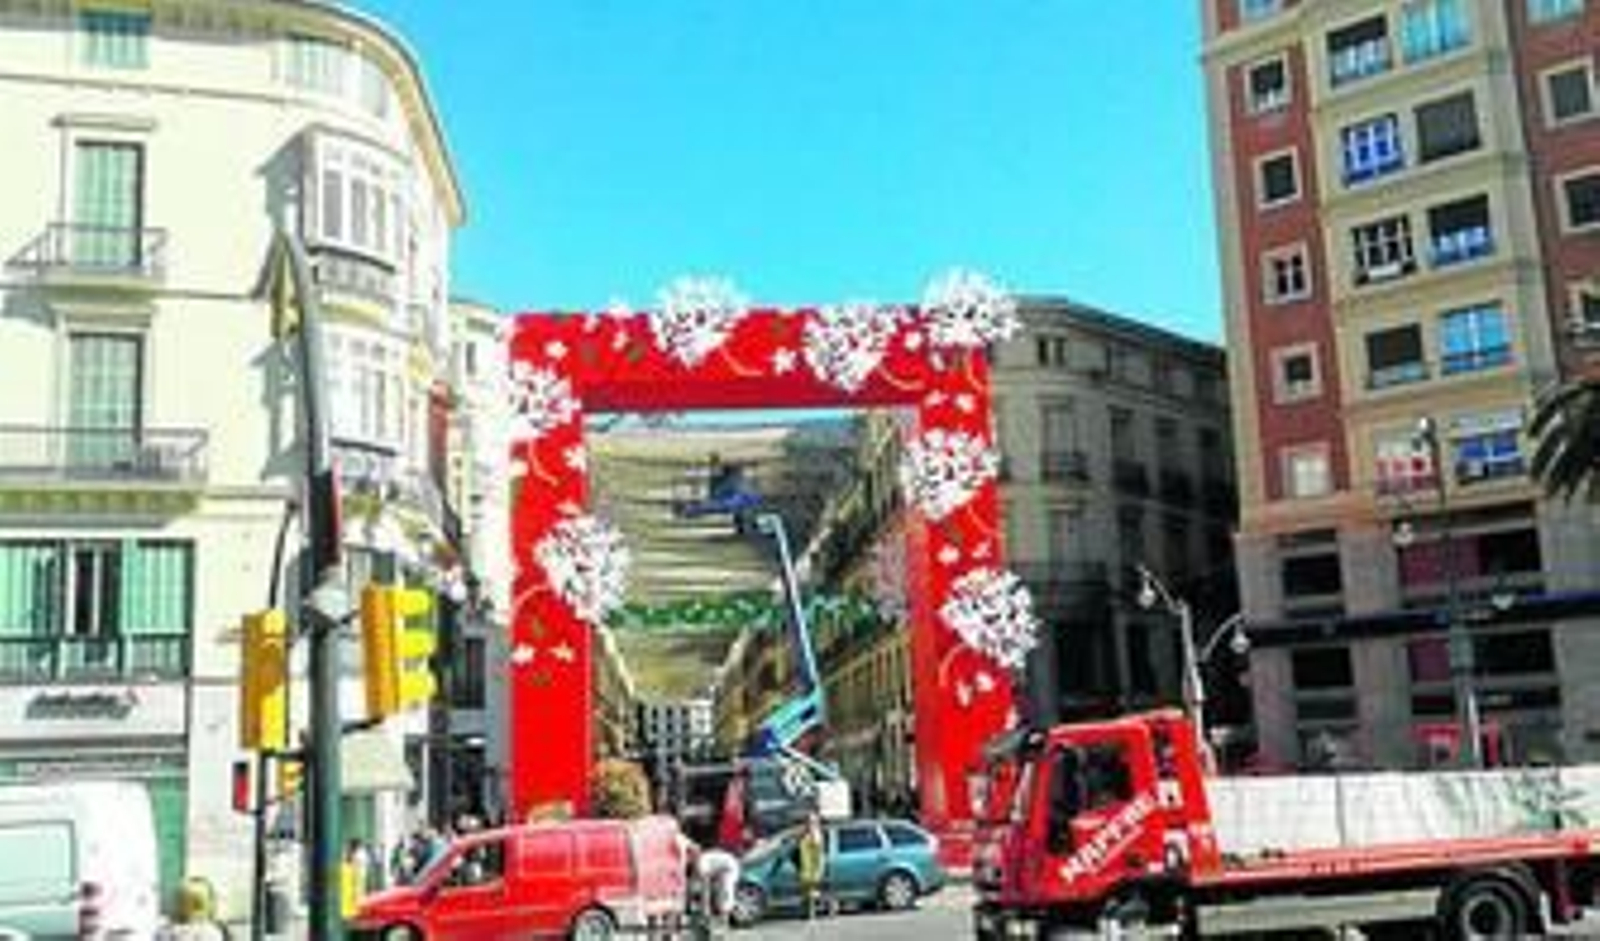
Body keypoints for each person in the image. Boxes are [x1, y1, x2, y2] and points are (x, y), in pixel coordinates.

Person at [796, 813, 827, 920]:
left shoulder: (816, 835)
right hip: (805, 868)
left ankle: (813, 913)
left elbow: (818, 855)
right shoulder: (805, 834)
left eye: (812, 821)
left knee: (811, 894)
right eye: (808, 821)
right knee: (807, 894)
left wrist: (818, 870)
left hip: (812, 869)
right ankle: (812, 911)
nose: (809, 824)